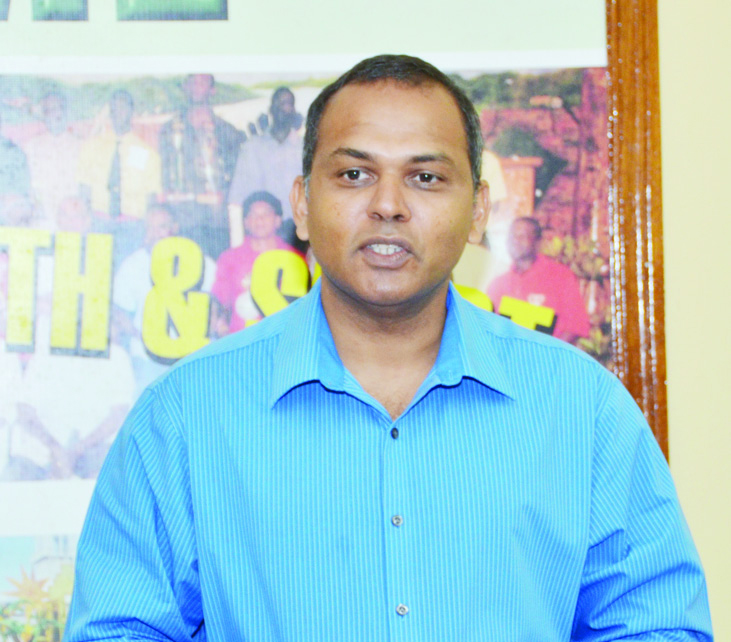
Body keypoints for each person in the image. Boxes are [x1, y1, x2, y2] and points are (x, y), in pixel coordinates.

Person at [65, 55, 712, 641]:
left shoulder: (581, 406)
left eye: (425, 177)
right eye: (353, 174)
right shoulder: (186, 414)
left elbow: (653, 627)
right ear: (301, 203)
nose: (387, 205)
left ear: (478, 210)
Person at [113, 204, 216, 395]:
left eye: (161, 227)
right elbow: (119, 312)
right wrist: (142, 337)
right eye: (150, 228)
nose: (155, 233)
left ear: (175, 227)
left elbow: (216, 307)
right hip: (148, 360)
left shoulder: (203, 263)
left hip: (193, 359)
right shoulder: (132, 265)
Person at [159, 74, 245, 259]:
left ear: (213, 90)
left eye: (202, 82)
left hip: (215, 223)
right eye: (192, 81)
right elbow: (162, 175)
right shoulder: (168, 130)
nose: (196, 86)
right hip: (179, 221)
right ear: (184, 87)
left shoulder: (228, 132)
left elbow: (238, 179)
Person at [488, 216, 591, 344]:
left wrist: (546, 354)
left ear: (538, 242)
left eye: (522, 236)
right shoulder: (498, 285)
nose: (515, 241)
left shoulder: (560, 277)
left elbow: (575, 327)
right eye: (512, 236)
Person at [211, 190, 302, 334]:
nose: (259, 219)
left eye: (266, 213)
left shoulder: (295, 258)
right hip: (242, 340)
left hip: (284, 339)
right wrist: (221, 329)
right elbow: (219, 303)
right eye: (253, 214)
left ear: (278, 220)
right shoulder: (229, 259)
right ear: (246, 222)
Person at [226, 86, 304, 248]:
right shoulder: (252, 147)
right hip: (261, 235)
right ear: (270, 109)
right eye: (279, 103)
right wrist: (238, 246)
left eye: (287, 103)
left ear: (294, 110)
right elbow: (236, 199)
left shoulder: (305, 148)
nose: (283, 108)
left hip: (297, 234)